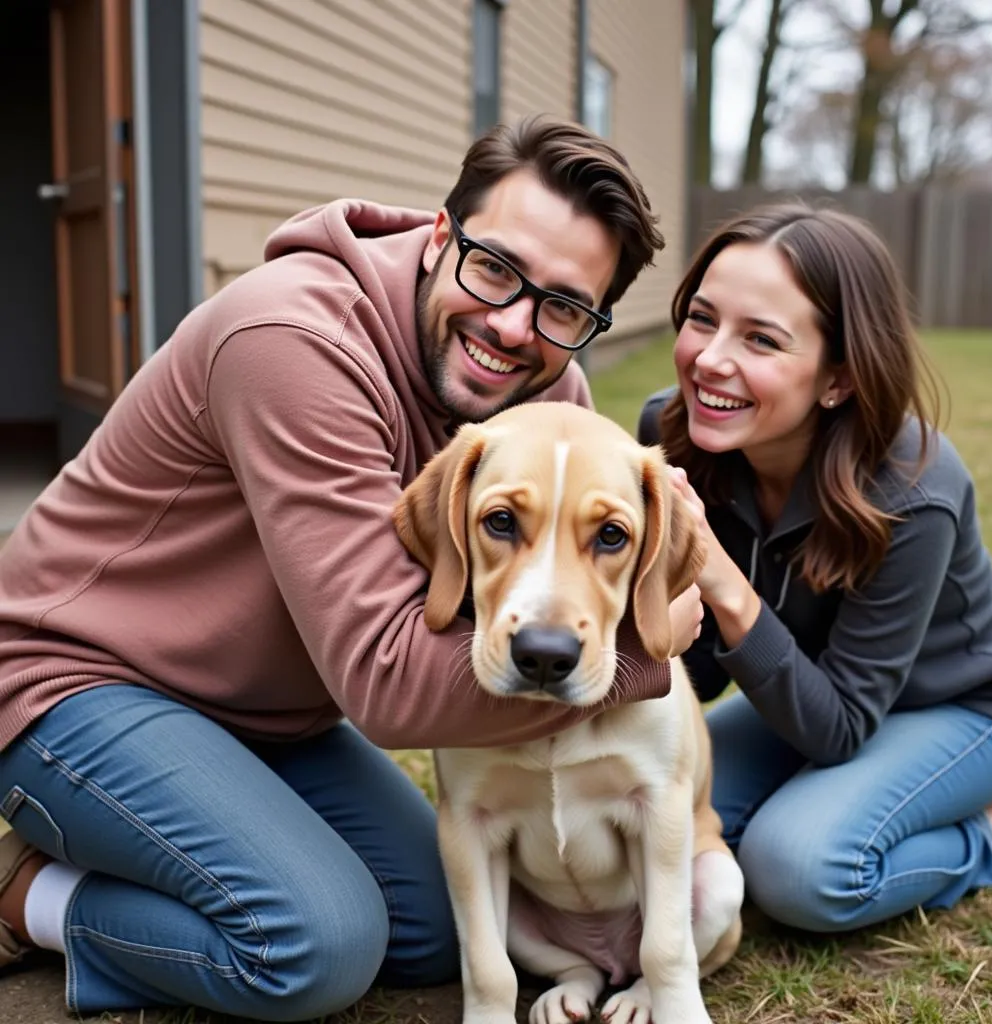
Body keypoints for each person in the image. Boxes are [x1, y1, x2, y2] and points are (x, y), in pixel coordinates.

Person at [0, 115, 705, 1021]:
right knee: (311, 945)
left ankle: (173, 839)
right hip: (78, 684)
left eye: (563, 307)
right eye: (494, 267)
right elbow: (385, 682)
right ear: (439, 236)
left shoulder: (540, 385)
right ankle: (29, 897)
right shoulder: (288, 342)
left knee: (435, 929)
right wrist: (645, 655)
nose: (512, 325)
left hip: (263, 716)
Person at [639, 201, 992, 935]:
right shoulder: (670, 435)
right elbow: (700, 671)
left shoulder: (915, 492)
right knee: (651, 815)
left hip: (959, 709)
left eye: (761, 339)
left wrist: (719, 576)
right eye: (701, 318)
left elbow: (840, 727)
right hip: (808, 691)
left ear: (838, 379)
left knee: (801, 869)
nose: (711, 359)